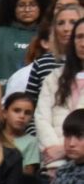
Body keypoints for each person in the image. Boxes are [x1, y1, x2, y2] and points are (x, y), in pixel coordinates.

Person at [36, 17, 84, 172]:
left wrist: (66, 149)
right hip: (54, 164)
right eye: (79, 37)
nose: (83, 42)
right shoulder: (54, 77)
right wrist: (55, 158)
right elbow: (41, 118)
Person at [0, 0, 51, 83]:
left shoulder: (48, 36)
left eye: (33, 5)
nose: (27, 10)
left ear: (41, 7)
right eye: (21, 5)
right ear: (12, 8)